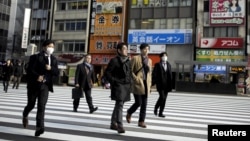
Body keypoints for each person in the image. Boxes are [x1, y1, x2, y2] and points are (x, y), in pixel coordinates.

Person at [22, 39, 59, 137]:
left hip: (45, 86)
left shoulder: (54, 59)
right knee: (31, 104)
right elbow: (29, 70)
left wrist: (51, 69)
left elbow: (56, 73)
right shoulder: (35, 57)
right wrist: (37, 76)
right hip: (33, 85)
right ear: (44, 47)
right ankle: (25, 115)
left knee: (41, 106)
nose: (51, 48)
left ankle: (40, 127)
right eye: (49, 46)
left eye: (52, 47)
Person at [104, 42, 132, 133]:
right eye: (124, 49)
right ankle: (120, 125)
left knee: (119, 105)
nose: (126, 51)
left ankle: (113, 123)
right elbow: (107, 73)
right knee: (120, 105)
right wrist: (114, 81)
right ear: (119, 50)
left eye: (126, 49)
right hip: (118, 85)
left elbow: (130, 73)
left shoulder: (128, 60)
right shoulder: (114, 60)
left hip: (126, 85)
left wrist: (130, 82)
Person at [126, 43, 152, 128]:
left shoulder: (150, 60)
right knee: (138, 102)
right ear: (141, 50)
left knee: (144, 104)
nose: (146, 50)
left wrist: (150, 85)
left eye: (147, 49)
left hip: (146, 84)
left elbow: (149, 74)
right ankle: (129, 112)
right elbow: (130, 70)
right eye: (145, 49)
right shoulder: (135, 58)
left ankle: (141, 121)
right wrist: (135, 79)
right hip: (138, 84)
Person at [152, 52, 172, 118]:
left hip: (167, 85)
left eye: (166, 56)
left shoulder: (169, 65)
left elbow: (170, 75)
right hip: (160, 84)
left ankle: (161, 112)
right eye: (163, 56)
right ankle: (156, 107)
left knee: (164, 99)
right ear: (160, 57)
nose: (165, 57)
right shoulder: (157, 65)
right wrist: (153, 83)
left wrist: (171, 85)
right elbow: (154, 74)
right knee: (162, 97)